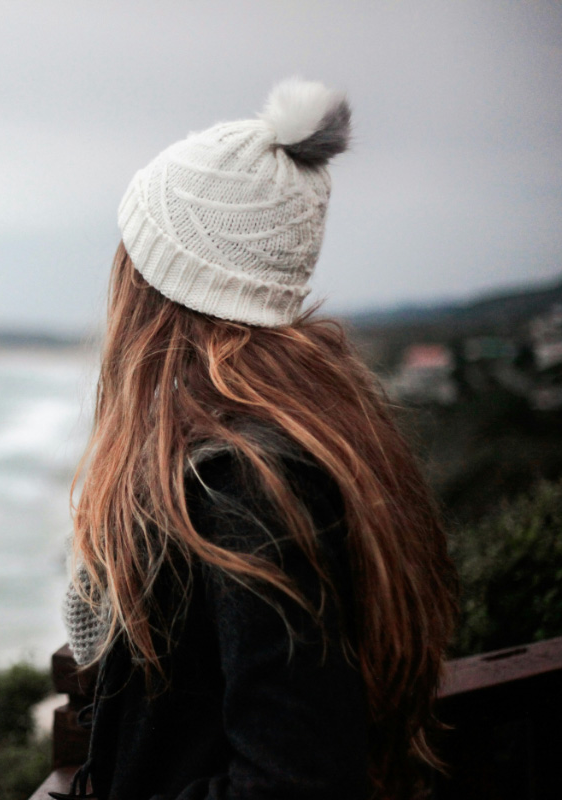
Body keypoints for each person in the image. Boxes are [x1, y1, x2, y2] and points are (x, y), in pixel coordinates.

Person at [59, 79, 460, 800]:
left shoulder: (245, 484)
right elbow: (100, 633)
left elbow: (296, 779)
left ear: (162, 286)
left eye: (133, 252)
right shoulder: (322, 425)